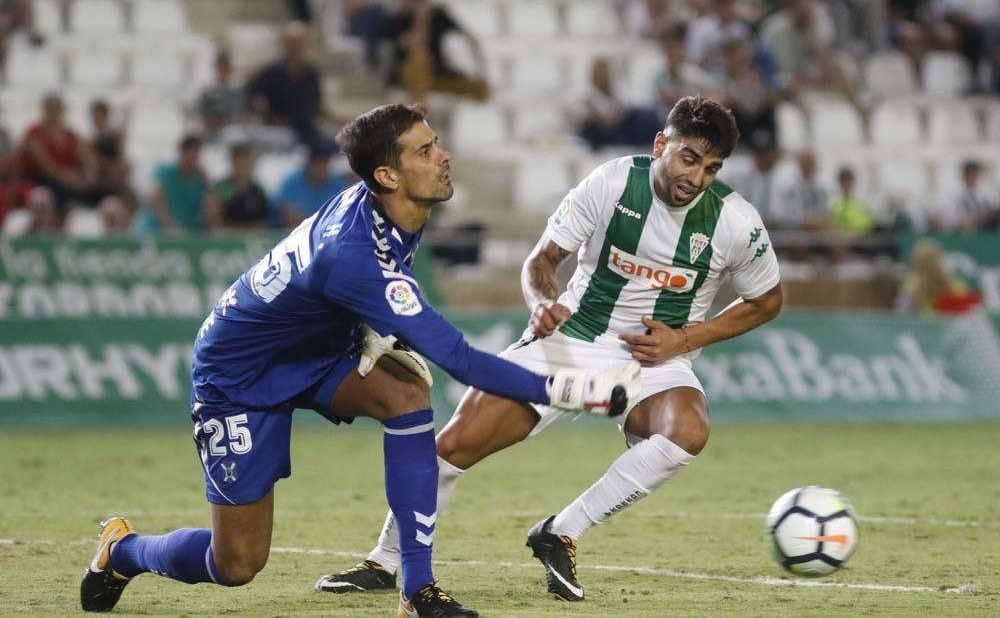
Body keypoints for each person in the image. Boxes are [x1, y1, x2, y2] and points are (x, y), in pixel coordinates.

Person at [80, 103, 639, 618]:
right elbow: (461, 360)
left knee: (406, 395)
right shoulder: (356, 257)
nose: (443, 156)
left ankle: (416, 588)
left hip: (317, 351)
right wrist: (571, 389)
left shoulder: (388, 211)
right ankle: (123, 552)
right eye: (424, 151)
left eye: (437, 142)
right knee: (238, 565)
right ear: (387, 176)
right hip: (239, 376)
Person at [317, 97, 783, 602]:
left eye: (711, 168)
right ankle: (385, 561)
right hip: (570, 342)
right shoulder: (611, 184)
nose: (697, 177)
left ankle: (560, 531)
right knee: (452, 450)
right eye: (689, 159)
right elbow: (542, 262)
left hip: (654, 359)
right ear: (660, 145)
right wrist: (542, 302)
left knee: (686, 431)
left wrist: (686, 339)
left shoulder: (735, 221)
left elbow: (766, 301)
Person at [384, 0, 490, 103]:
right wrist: (421, 20)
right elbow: (416, 43)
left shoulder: (438, 15)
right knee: (420, 59)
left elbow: (468, 35)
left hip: (437, 73)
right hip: (406, 75)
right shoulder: (401, 18)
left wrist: (478, 61)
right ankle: (418, 108)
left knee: (480, 86)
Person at [274, 139, 351, 228]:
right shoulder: (292, 182)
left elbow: (343, 215)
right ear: (308, 162)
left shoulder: (337, 184)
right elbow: (290, 217)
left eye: (325, 162)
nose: (321, 167)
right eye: (317, 162)